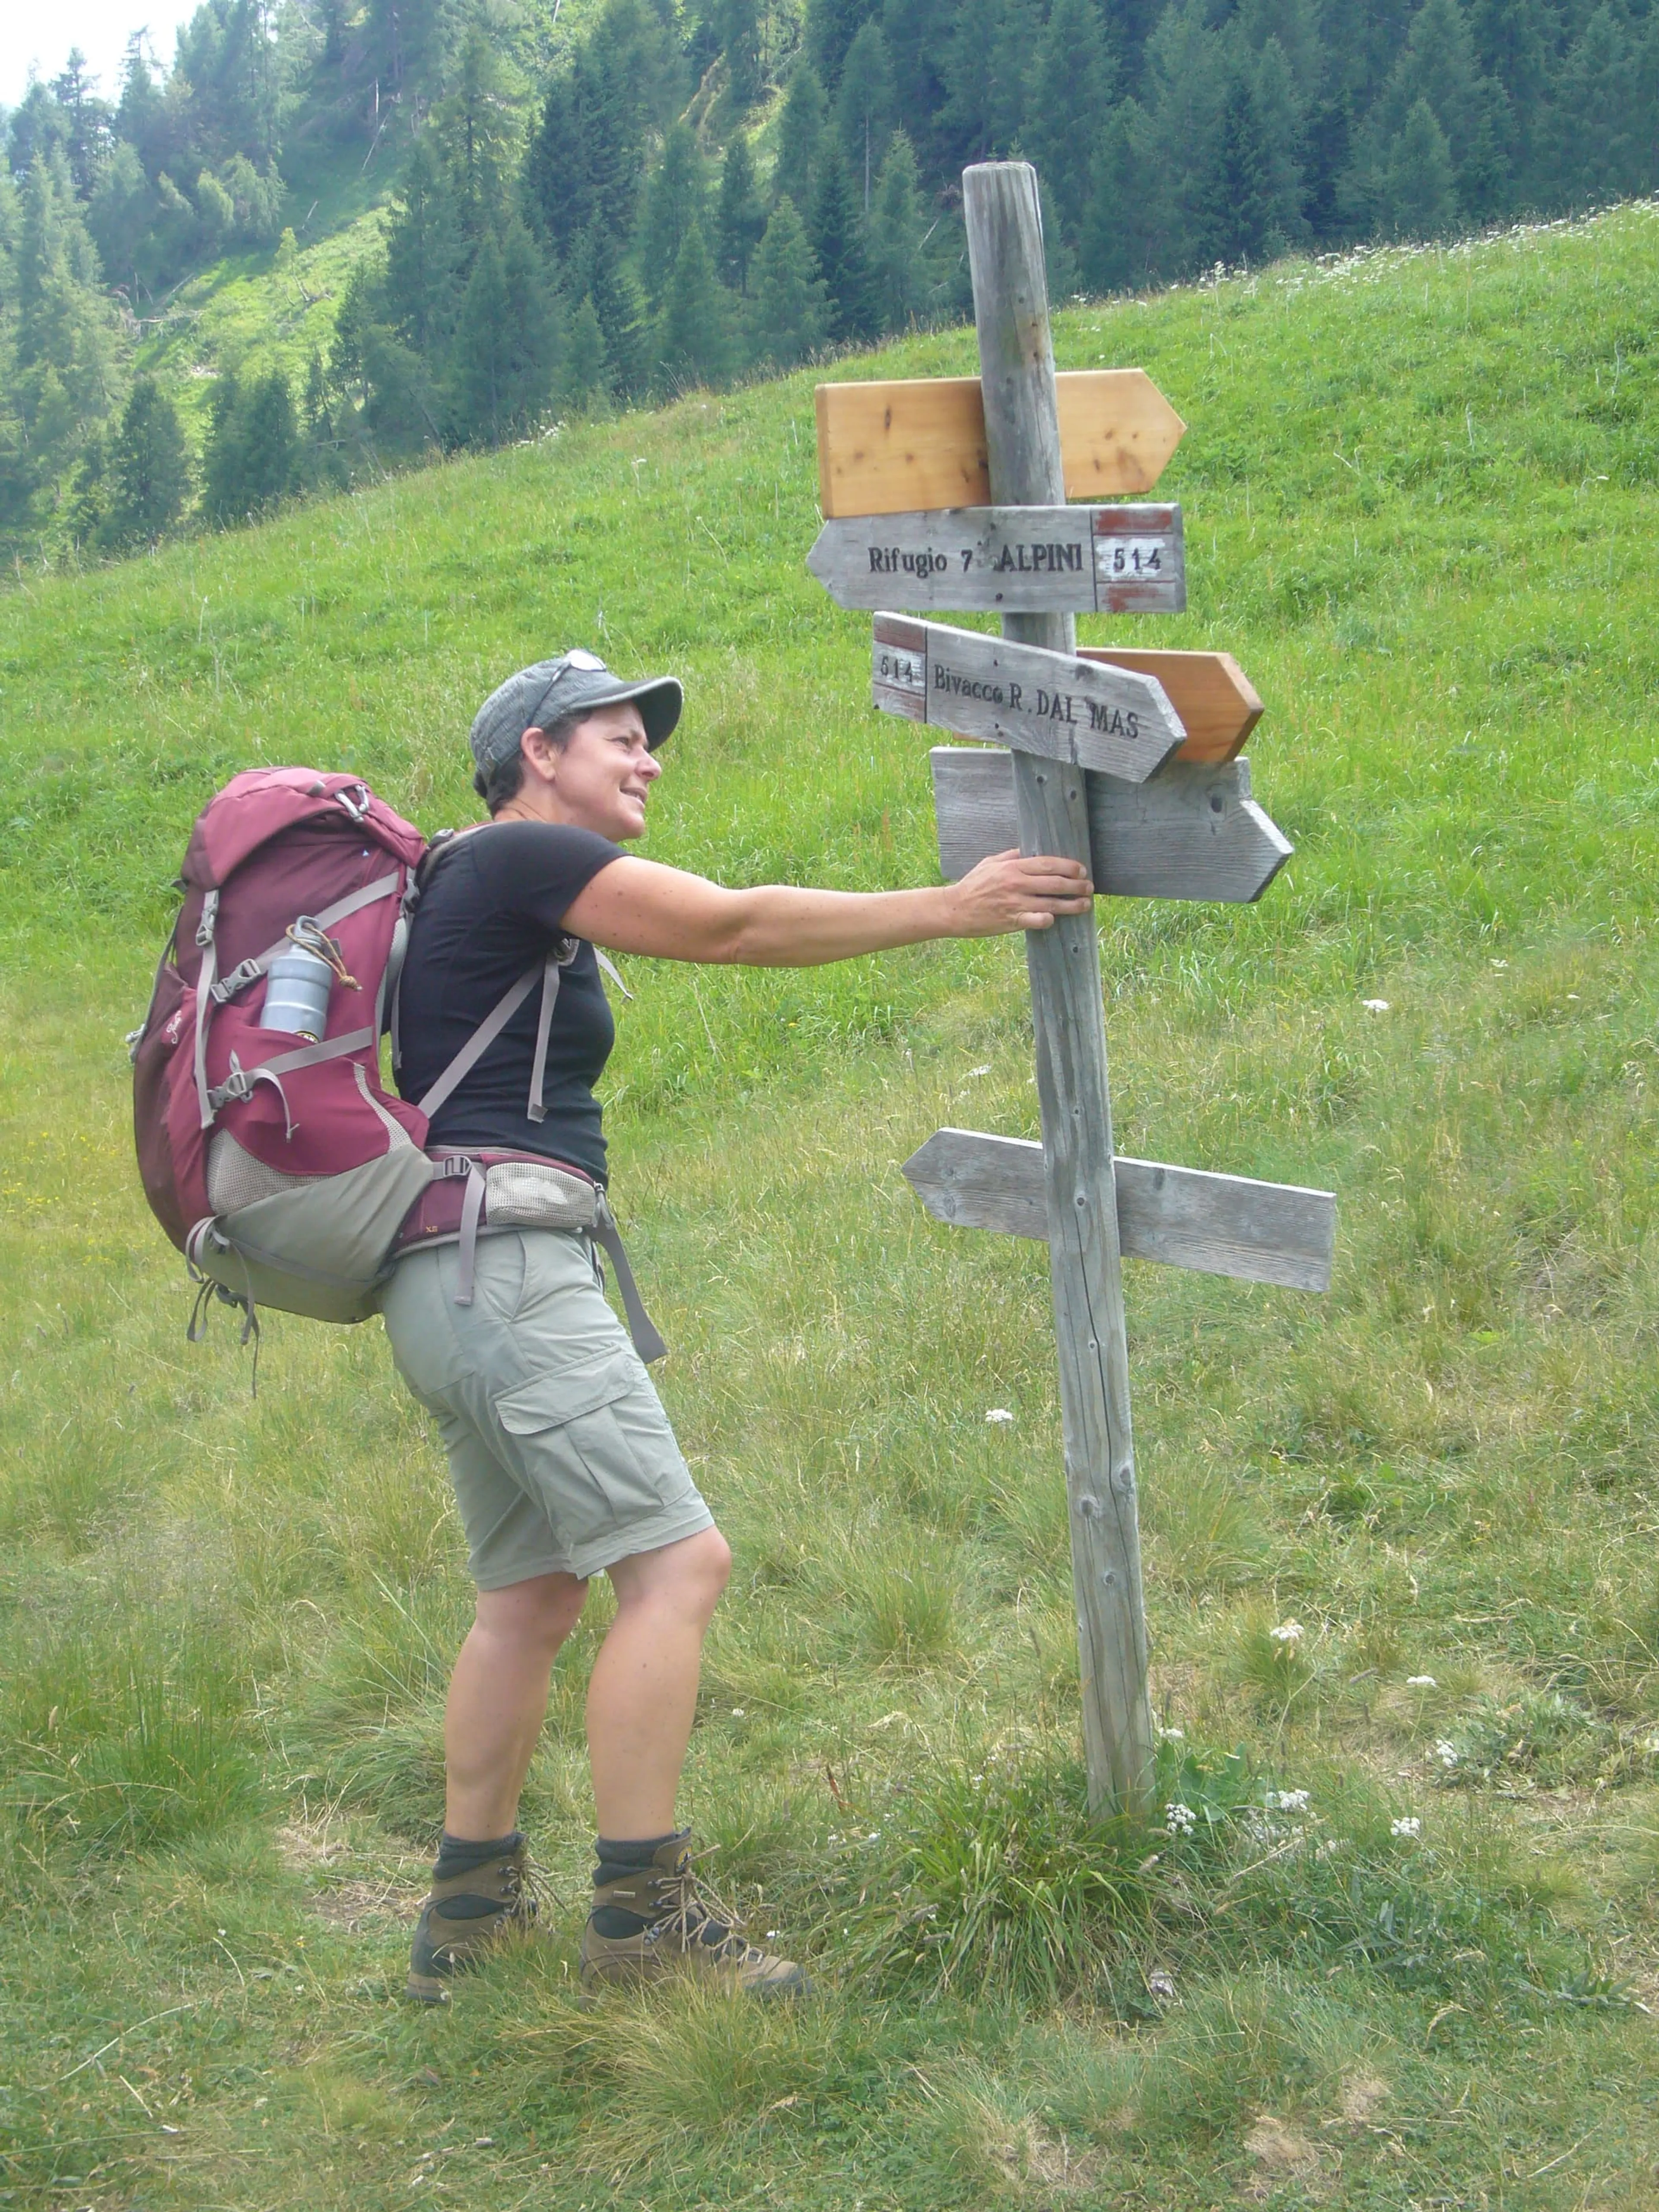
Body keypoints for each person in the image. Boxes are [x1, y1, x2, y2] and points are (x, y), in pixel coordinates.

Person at [382, 649, 1094, 2004]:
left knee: (527, 1598)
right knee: (677, 1567)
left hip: (445, 1276)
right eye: (615, 735)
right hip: (512, 1269)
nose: (646, 756)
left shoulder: (459, 877)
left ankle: (464, 1925)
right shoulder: (520, 856)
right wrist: (956, 905)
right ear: (537, 752)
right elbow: (731, 925)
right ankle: (642, 1923)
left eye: (650, 740)